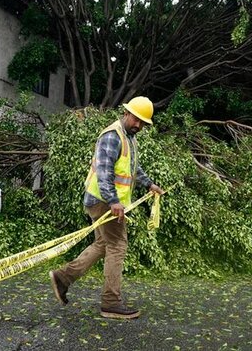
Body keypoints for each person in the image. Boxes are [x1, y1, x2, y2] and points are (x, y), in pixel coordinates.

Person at [49, 96, 165, 319]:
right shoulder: (113, 136)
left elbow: (132, 168)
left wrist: (149, 184)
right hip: (103, 200)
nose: (138, 125)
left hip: (103, 200)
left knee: (103, 244)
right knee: (118, 245)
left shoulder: (129, 137)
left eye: (143, 123)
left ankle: (63, 278)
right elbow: (104, 173)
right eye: (136, 120)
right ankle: (111, 302)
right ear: (127, 113)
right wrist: (113, 201)